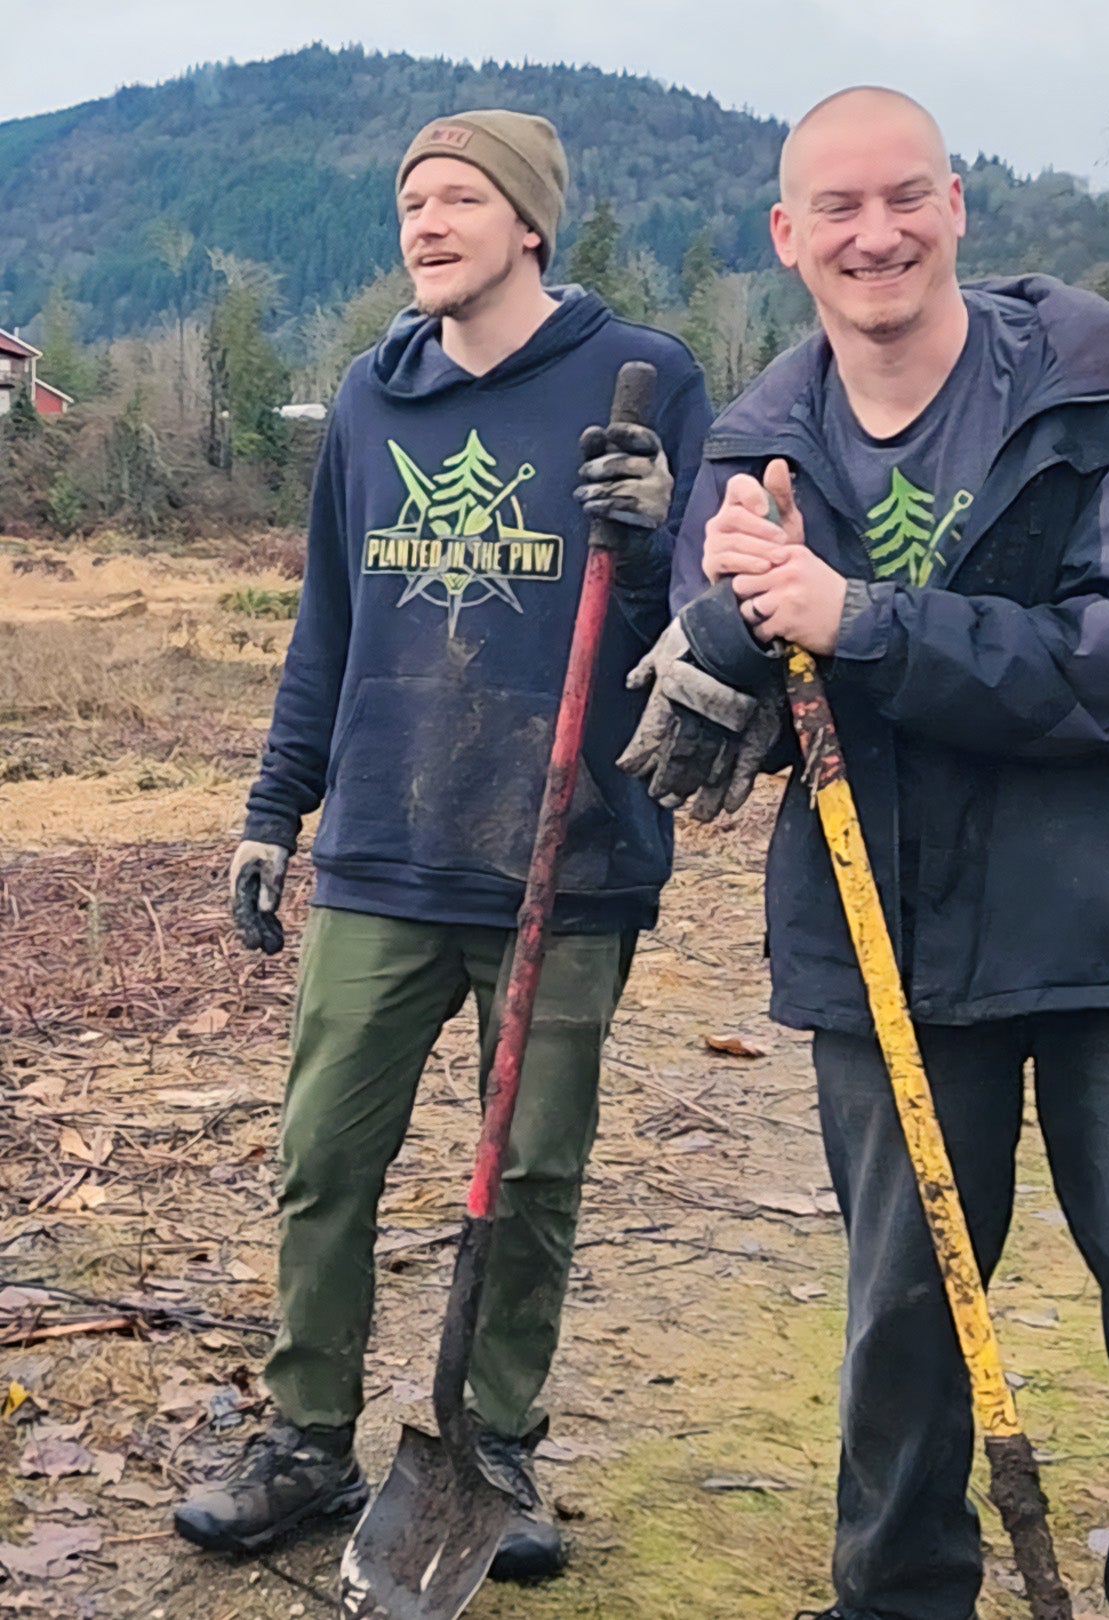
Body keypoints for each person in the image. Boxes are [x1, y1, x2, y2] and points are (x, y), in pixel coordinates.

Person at [622, 87, 1109, 1620]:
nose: (879, 236)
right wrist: (723, 615)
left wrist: (860, 619)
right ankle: (898, 1595)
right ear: (788, 238)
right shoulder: (758, 443)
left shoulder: (1105, 384)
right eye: (839, 212)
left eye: (905, 198)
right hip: (892, 933)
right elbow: (746, 716)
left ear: (958, 205)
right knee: (901, 1311)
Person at [172, 108, 710, 1579]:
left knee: (532, 1170)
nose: (425, 221)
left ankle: (491, 1448)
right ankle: (304, 1441)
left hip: (570, 853)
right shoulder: (370, 396)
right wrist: (273, 810)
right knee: (322, 1157)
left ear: (530, 223)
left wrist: (664, 529)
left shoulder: (638, 379)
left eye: (459, 197)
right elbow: (326, 626)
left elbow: (710, 620)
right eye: (410, 199)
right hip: (389, 843)